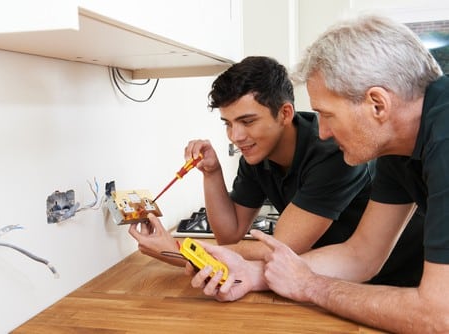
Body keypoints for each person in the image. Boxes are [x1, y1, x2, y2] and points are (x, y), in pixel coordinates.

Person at [188, 15, 449, 333]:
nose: (322, 131)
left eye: (327, 114)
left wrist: (311, 286)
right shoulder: (397, 144)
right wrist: (257, 274)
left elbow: (438, 315)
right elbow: (361, 254)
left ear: (377, 104)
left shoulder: (444, 138)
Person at [130, 55, 423, 287]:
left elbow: (280, 248)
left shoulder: (332, 152)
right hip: (339, 273)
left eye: (247, 121)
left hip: (403, 277)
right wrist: (212, 173)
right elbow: (229, 234)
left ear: (284, 113)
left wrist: (178, 250)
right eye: (228, 123)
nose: (236, 136)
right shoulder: (257, 156)